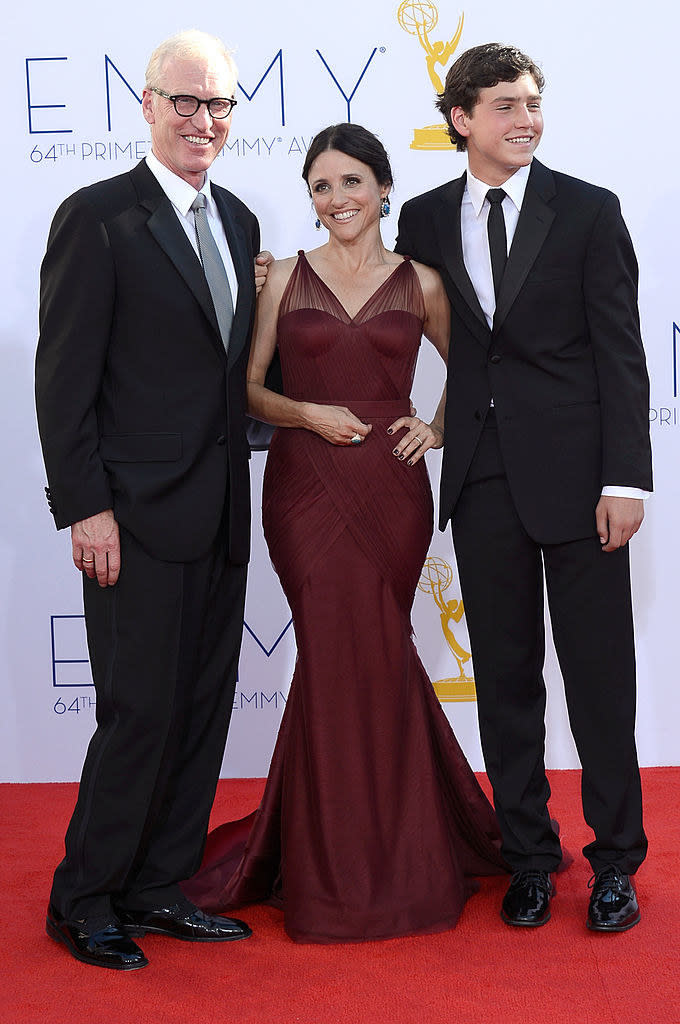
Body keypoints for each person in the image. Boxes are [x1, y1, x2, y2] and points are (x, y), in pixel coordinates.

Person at [182, 123, 507, 942]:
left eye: (353, 182)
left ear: (384, 187)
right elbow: (250, 390)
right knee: (334, 653)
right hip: (305, 487)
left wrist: (435, 427)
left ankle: (391, 848)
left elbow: (481, 368)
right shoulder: (283, 278)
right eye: (321, 187)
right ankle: (337, 861)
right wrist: (305, 412)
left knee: (379, 648)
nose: (338, 200)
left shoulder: (423, 281)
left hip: (392, 492)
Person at [395, 43, 652, 931]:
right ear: (460, 118)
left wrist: (627, 479)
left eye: (533, 103)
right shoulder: (424, 220)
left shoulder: (587, 210)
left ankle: (616, 862)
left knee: (599, 680)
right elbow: (416, 325)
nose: (526, 119)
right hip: (484, 475)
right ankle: (531, 858)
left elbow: (622, 351)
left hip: (585, 481)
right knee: (504, 679)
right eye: (504, 105)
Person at [35, 29, 261, 970]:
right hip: (130, 518)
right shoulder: (98, 217)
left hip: (218, 515)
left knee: (204, 705)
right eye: (186, 102)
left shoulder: (242, 221)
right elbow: (63, 381)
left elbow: (227, 377)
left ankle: (159, 883)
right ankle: (84, 895)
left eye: (219, 106)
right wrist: (85, 507)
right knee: (138, 710)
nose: (203, 121)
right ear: (146, 103)